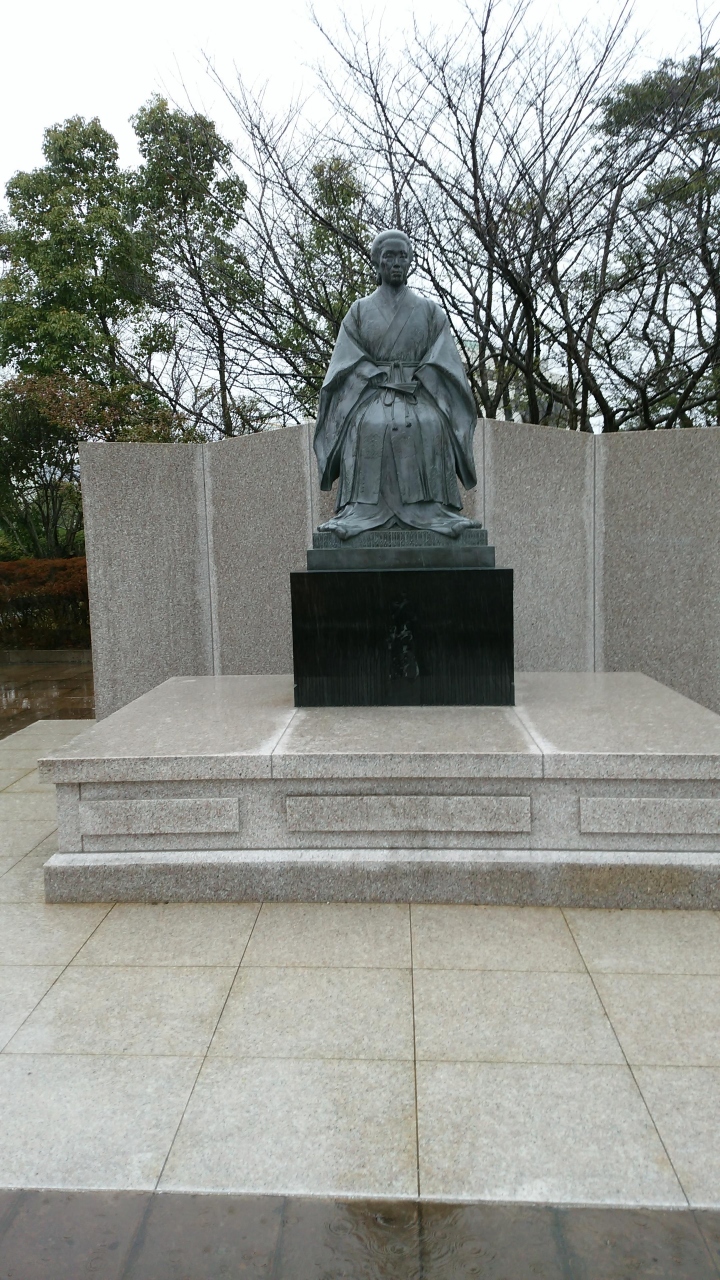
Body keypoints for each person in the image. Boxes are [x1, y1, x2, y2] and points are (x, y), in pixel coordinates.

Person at [313, 229, 480, 539]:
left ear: (410, 262)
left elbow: (444, 359)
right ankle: (360, 510)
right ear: (377, 262)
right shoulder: (359, 311)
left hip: (418, 393)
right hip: (372, 394)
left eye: (402, 256)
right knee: (370, 424)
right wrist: (373, 375)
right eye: (388, 256)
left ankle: (434, 508)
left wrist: (421, 377)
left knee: (430, 422)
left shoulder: (430, 311)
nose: (396, 263)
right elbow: (345, 360)